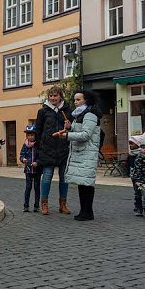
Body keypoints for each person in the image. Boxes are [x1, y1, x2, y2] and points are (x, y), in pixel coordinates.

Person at [59, 90, 101, 221]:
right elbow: (81, 131)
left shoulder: (89, 115)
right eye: (75, 100)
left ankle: (88, 212)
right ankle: (84, 211)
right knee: (82, 183)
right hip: (81, 153)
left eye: (78, 100)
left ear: (86, 100)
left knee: (87, 184)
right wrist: (70, 127)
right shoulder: (80, 115)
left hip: (87, 153)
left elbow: (86, 135)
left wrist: (67, 136)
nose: (75, 102)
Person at [34, 86, 72, 215]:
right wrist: (39, 147)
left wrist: (70, 127)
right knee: (47, 177)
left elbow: (73, 129)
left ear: (60, 96)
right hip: (47, 149)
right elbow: (37, 131)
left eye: (55, 96)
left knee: (64, 178)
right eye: (51, 96)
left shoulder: (67, 110)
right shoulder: (43, 111)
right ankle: (44, 204)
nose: (53, 98)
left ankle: (63, 204)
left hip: (63, 149)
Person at [19, 125, 41, 212]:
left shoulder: (38, 145)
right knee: (28, 187)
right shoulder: (25, 145)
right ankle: (26, 205)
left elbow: (41, 156)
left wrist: (37, 162)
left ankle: (36, 206)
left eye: (32, 135)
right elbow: (21, 155)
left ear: (35, 135)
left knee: (37, 187)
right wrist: (23, 159)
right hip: (28, 170)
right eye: (29, 135)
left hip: (37, 170)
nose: (30, 137)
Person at [125, 134, 145, 216]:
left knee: (143, 191)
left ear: (138, 144)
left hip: (143, 177)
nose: (130, 146)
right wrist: (127, 173)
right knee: (137, 192)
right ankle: (138, 207)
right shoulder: (131, 155)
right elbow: (127, 165)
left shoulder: (142, 155)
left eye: (131, 144)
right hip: (134, 178)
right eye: (129, 144)